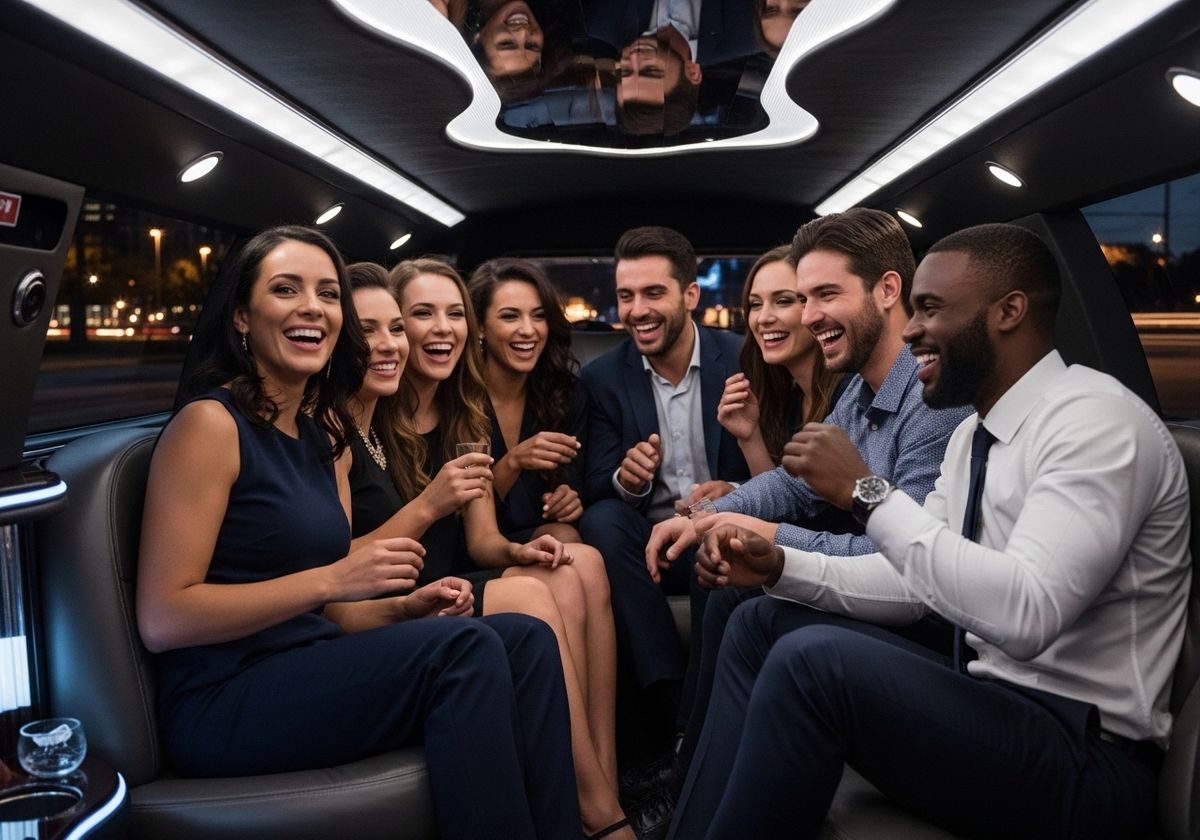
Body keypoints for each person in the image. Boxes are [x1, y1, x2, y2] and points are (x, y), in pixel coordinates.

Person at [670, 223, 1192, 839]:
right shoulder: (975, 434)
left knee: (815, 662)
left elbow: (1028, 615)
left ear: (1009, 312)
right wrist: (782, 566)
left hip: (1086, 756)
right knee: (761, 619)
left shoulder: (1095, 422)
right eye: (913, 309)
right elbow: (913, 584)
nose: (912, 330)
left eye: (931, 309)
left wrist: (865, 492)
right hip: (995, 702)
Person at [137, 226, 582, 839]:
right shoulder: (210, 425)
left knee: (524, 639)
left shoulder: (322, 436)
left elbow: (331, 619)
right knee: (467, 650)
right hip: (224, 699)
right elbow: (164, 618)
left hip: (310, 661)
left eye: (327, 294)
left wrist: (405, 607)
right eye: (286, 290)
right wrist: (332, 577)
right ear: (241, 316)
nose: (311, 309)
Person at [642, 209, 971, 802]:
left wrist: (766, 535)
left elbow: (905, 563)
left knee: (750, 602)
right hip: (879, 591)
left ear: (888, 289)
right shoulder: (859, 391)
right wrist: (705, 517)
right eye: (806, 296)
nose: (810, 314)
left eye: (825, 294)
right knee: (729, 577)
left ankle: (696, 780)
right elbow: (794, 484)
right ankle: (694, 769)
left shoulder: (934, 403)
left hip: (926, 627)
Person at [349, 257, 631, 839]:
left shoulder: (461, 409)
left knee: (580, 561)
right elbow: (344, 555)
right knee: (533, 595)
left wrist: (519, 551)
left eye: (454, 313)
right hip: (393, 602)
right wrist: (436, 499)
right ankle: (600, 813)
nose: (442, 329)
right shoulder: (368, 409)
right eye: (419, 315)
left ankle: (602, 779)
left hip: (454, 579)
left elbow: (482, 542)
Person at [578, 225, 749, 780]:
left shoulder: (744, 359)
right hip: (644, 554)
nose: (637, 310)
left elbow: (769, 464)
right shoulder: (603, 378)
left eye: (653, 293)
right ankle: (674, 703)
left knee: (714, 533)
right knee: (603, 517)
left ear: (690, 296)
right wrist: (628, 480)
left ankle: (685, 735)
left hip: (718, 530)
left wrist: (733, 492)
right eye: (626, 296)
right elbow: (595, 482)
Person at [468, 257, 588, 544]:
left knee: (565, 538)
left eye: (538, 315)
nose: (528, 330)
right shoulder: (459, 396)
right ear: (481, 326)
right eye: (510, 316)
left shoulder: (565, 393)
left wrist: (568, 498)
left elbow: (574, 481)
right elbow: (456, 509)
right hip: (467, 547)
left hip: (541, 536)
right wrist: (514, 461)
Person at [717, 244, 840, 477]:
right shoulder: (791, 400)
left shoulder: (849, 395)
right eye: (755, 304)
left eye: (783, 301)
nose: (763, 318)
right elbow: (784, 504)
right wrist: (750, 437)